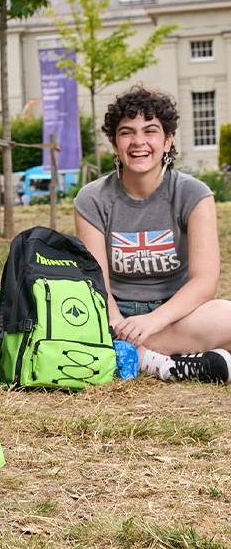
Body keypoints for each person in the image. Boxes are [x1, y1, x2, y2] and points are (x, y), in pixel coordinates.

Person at [73, 85, 231, 384]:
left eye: (150, 131)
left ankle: (135, 355)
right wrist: (116, 322)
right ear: (113, 142)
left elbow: (204, 282)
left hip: (176, 313)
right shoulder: (91, 199)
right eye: (127, 132)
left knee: (228, 316)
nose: (138, 142)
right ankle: (163, 362)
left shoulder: (194, 194)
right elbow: (97, 282)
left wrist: (153, 321)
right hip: (112, 316)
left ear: (168, 141)